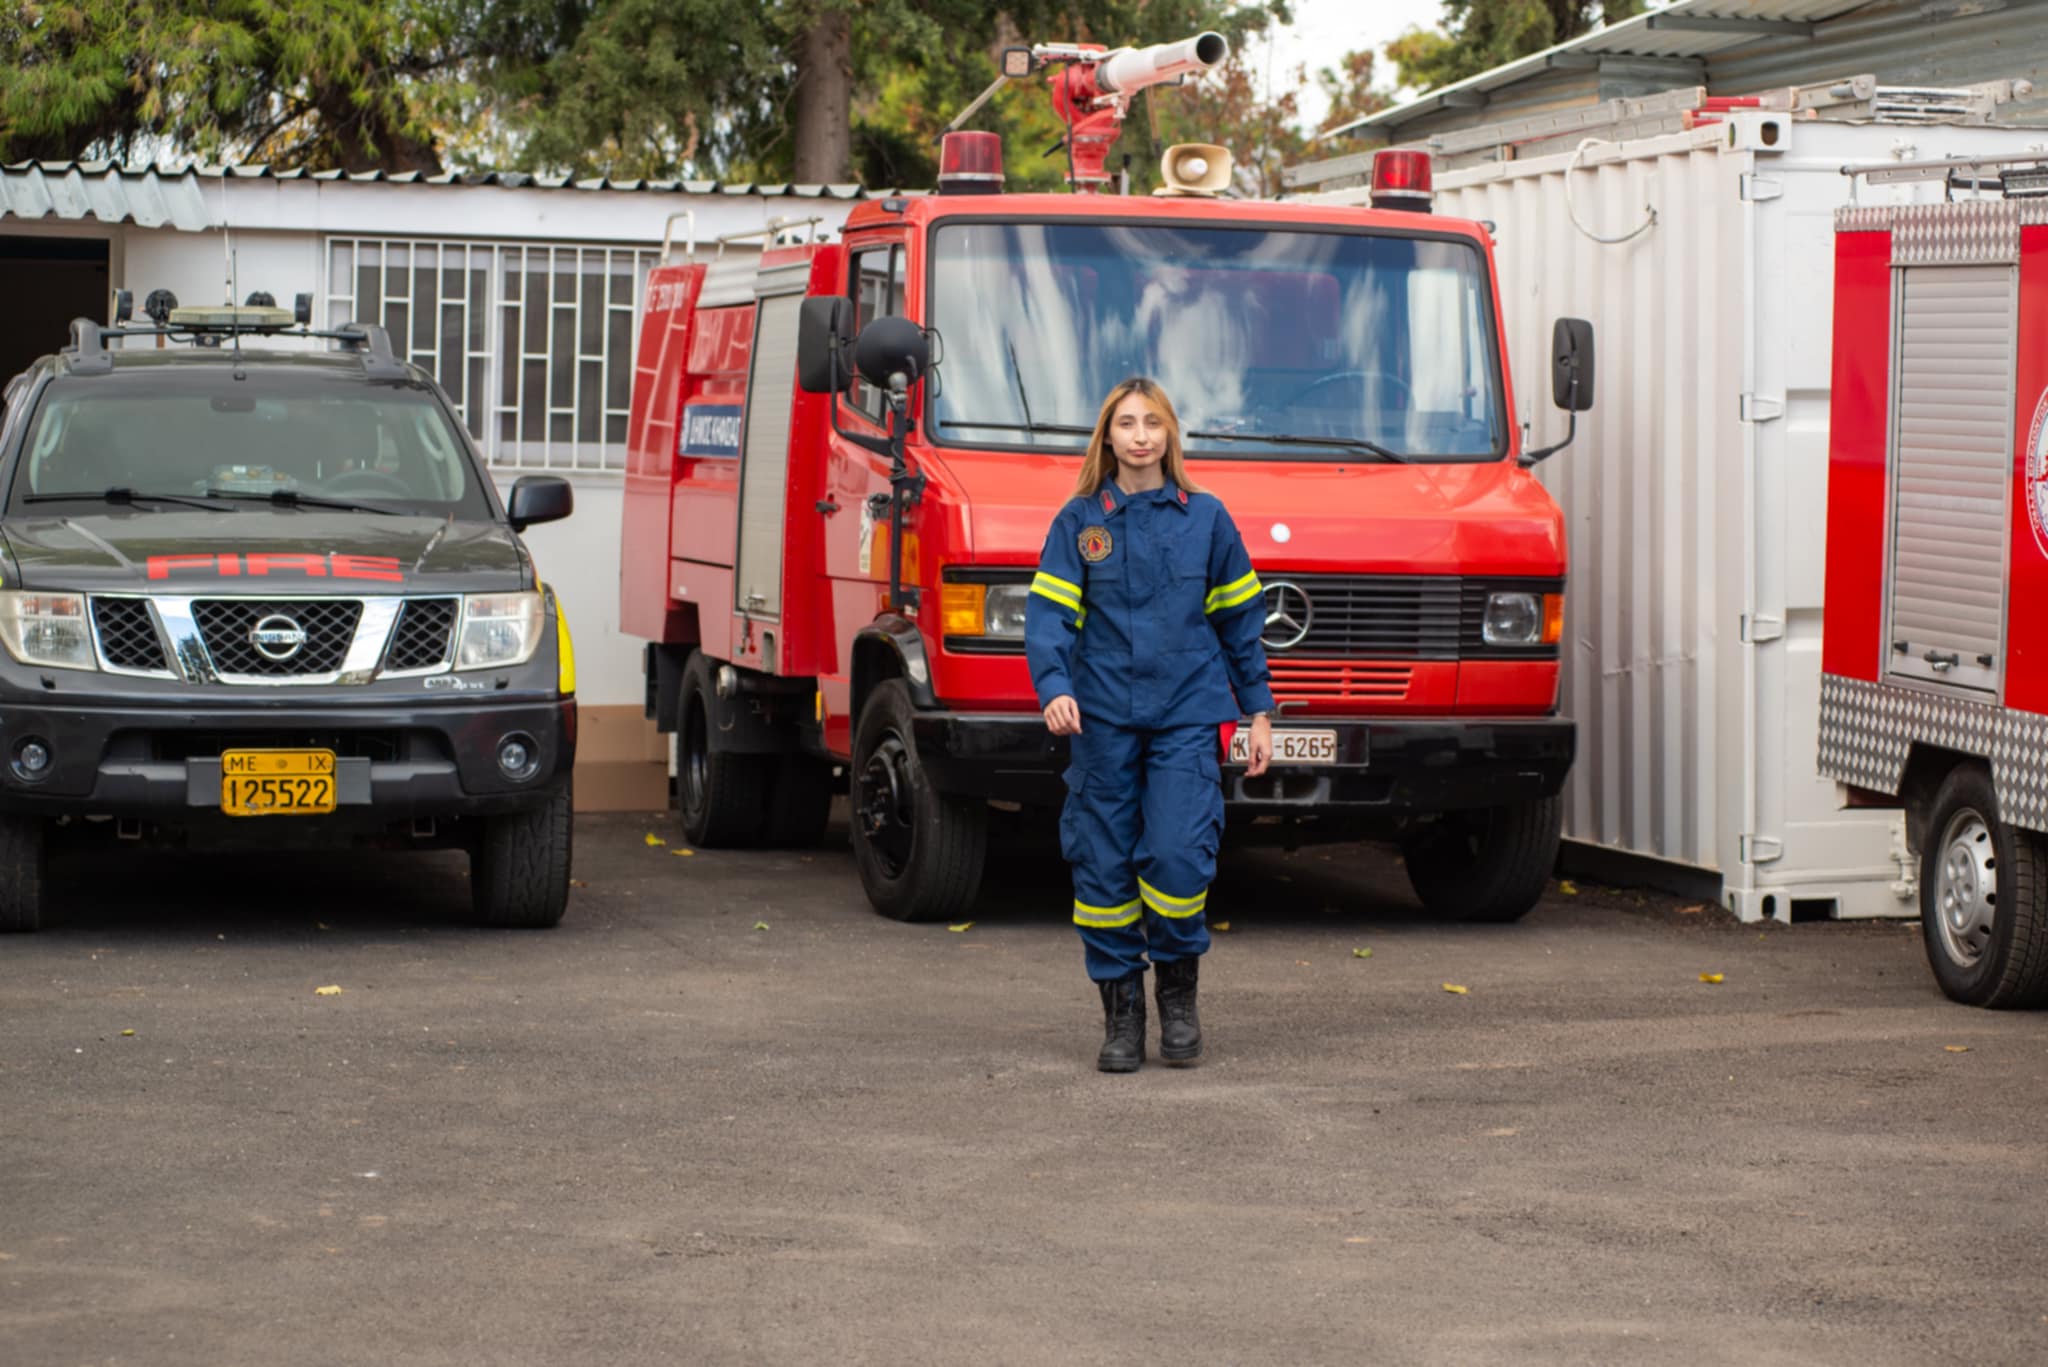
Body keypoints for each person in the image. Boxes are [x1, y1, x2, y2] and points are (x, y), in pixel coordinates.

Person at [1025, 377, 1274, 1073]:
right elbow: (1048, 618)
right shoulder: (1079, 521)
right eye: (1126, 423)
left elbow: (1239, 622)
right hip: (1102, 720)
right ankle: (1122, 1015)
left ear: (1170, 435)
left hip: (1188, 715)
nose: (1140, 435)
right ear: (1107, 437)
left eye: (1152, 423)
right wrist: (1054, 687)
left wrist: (1257, 710)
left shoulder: (1208, 518)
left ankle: (1179, 995)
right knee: (1102, 864)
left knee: (1175, 854)